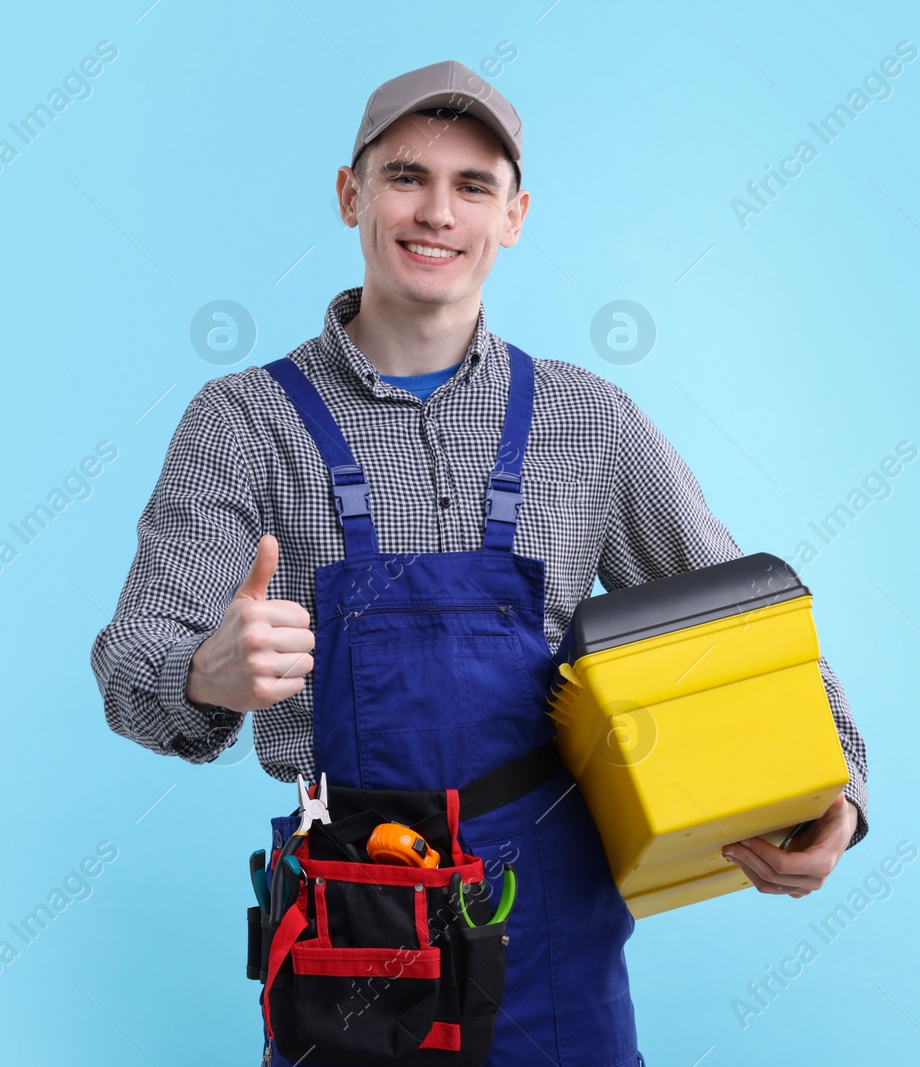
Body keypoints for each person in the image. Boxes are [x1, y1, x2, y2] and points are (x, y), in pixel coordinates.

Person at [90, 59, 868, 1067]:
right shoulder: (242, 423)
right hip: (351, 926)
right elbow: (130, 662)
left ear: (513, 215)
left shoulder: (586, 420)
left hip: (551, 916)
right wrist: (206, 671)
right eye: (407, 176)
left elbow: (736, 620)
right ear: (350, 194)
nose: (436, 212)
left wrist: (837, 789)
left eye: (473, 186)